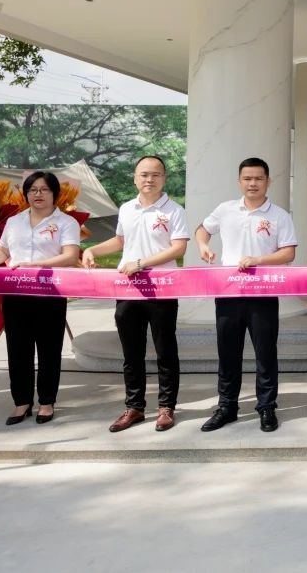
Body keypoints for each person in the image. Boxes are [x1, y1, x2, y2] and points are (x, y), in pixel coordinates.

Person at [83, 155, 190, 433]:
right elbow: (121, 240)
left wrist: (141, 263)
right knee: (131, 352)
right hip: (128, 289)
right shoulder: (127, 208)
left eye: (155, 174)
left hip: (162, 289)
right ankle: (134, 407)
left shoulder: (174, 211)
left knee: (165, 350)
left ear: (164, 178)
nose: (149, 179)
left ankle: (166, 407)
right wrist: (92, 249)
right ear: (134, 178)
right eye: (143, 174)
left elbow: (179, 248)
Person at [194, 158, 298, 434]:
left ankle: (266, 406)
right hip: (229, 292)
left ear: (268, 181)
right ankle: (227, 406)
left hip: (263, 293)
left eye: (258, 178)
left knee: (265, 352)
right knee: (228, 352)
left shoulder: (279, 215)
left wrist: (258, 260)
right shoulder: (225, 209)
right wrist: (203, 245)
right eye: (247, 178)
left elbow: (288, 252)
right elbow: (202, 229)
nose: (253, 183)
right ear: (239, 181)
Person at [0, 171, 81, 425]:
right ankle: (21, 402)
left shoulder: (66, 222)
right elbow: (3, 249)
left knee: (49, 349)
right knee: (18, 349)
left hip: (49, 291)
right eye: (32, 190)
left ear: (55, 194)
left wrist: (36, 265)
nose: (38, 194)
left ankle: (46, 402)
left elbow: (70, 256)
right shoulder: (15, 221)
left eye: (44, 189)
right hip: (16, 292)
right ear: (26, 194)